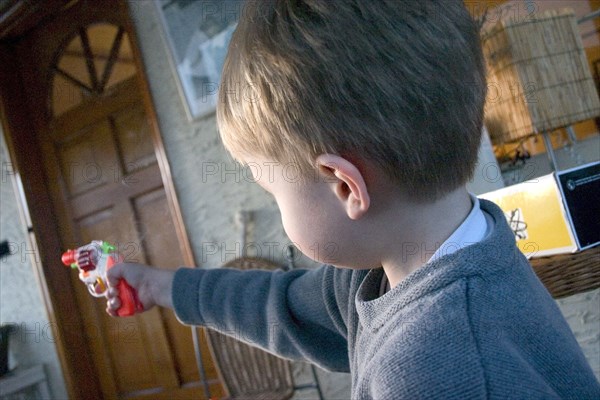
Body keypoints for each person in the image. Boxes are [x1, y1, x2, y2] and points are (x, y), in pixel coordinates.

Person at [106, 1, 600, 398]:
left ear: (345, 186)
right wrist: (157, 286)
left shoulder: (435, 371)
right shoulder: (413, 262)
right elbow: (281, 305)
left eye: (271, 189)